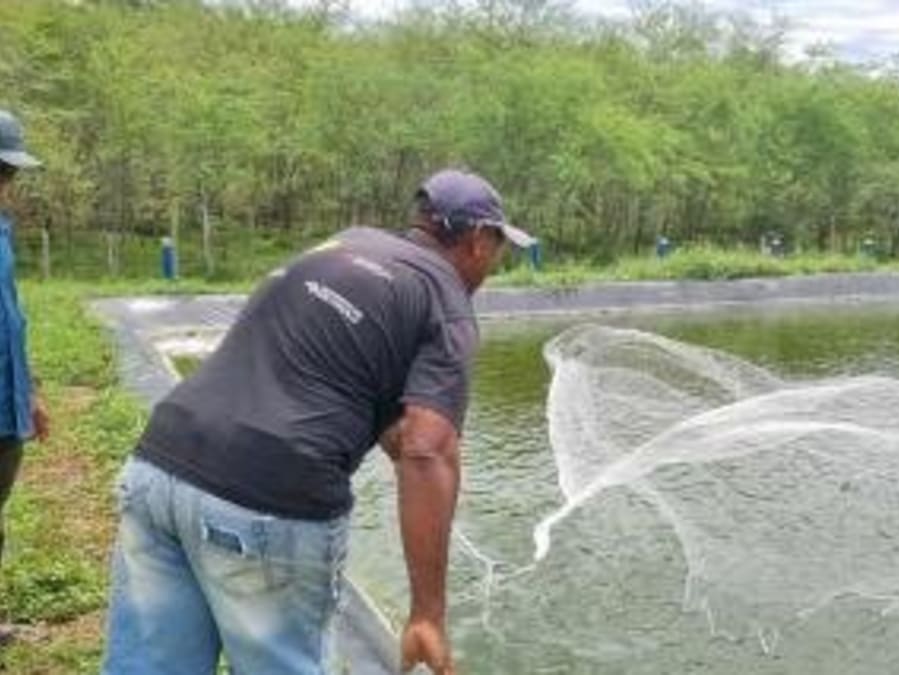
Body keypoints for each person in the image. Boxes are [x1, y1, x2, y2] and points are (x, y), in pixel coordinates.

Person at [102, 169, 534, 674]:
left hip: (159, 465)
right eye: (502, 245)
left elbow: (332, 371)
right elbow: (426, 451)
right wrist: (427, 616)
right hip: (268, 500)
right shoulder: (446, 301)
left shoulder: (345, 246)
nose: (497, 262)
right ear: (480, 241)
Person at [0, 109, 51, 647]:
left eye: (8, 174)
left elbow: (11, 319)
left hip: (6, 404)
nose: (5, 186)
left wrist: (30, 393)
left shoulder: (2, 235)